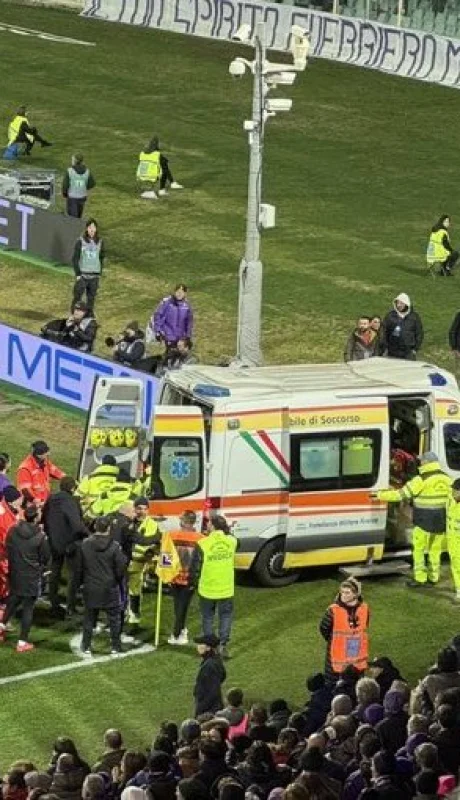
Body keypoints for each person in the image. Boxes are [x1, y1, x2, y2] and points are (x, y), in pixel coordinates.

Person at [373, 451, 451, 588]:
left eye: (422, 461)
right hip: (441, 520)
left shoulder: (421, 480)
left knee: (419, 550)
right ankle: (433, 577)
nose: (420, 462)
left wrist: (379, 495)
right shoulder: (447, 478)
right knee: (435, 550)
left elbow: (400, 495)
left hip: (423, 520)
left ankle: (420, 578)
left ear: (426, 462)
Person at [0, 504, 50, 653]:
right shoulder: (40, 536)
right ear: (36, 518)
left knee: (13, 601)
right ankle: (22, 642)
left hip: (15, 573)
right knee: (28, 608)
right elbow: (46, 558)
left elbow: (7, 548)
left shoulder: (13, 530)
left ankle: (1, 627)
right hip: (31, 576)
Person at [190, 514, 238, 660]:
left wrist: (194, 582)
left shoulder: (203, 543)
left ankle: (210, 646)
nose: (207, 525)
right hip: (226, 587)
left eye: (209, 523)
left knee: (208, 617)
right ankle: (223, 645)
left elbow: (195, 567)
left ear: (212, 526)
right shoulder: (232, 541)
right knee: (225, 616)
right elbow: (236, 541)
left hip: (207, 588)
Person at [78, 515, 126, 656]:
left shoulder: (85, 544)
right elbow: (121, 567)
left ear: (95, 527)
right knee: (114, 619)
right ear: (109, 528)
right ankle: (115, 647)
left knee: (89, 617)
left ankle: (86, 646)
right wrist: (116, 580)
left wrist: (82, 583)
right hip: (109, 587)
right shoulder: (115, 546)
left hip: (91, 587)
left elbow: (79, 568)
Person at [42, 476, 89, 618]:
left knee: (54, 573)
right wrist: (89, 534)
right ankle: (71, 606)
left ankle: (53, 603)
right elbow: (76, 524)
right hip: (70, 543)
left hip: (53, 542)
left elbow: (44, 518)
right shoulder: (71, 501)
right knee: (74, 575)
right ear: (72, 488)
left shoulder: (51, 499)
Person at [319, 577, 369, 684]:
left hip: (357, 660)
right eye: (342, 592)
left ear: (355, 595)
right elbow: (324, 628)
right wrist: (335, 640)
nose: (343, 595)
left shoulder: (364, 608)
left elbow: (365, 626)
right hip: (336, 660)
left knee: (356, 688)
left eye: (347, 593)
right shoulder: (333, 610)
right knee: (333, 689)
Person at [168, 510, 203, 646]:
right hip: (189, 578)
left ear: (183, 521)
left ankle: (178, 632)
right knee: (181, 606)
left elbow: (166, 554)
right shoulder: (201, 538)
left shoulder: (171, 535)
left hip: (175, 576)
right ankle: (180, 630)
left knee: (179, 605)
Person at [127, 497, 160, 625]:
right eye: (139, 508)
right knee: (123, 588)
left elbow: (154, 544)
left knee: (135, 589)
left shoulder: (152, 524)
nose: (142, 511)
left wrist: (149, 555)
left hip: (139, 561)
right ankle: (125, 611)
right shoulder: (129, 521)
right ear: (134, 509)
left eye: (145, 509)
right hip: (125, 560)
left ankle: (134, 613)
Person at [71, 219, 105, 315]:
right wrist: (78, 274)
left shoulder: (100, 242)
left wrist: (99, 272)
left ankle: (89, 317)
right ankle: (74, 316)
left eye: (94, 227)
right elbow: (75, 258)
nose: (92, 230)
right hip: (83, 275)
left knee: (91, 299)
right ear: (86, 229)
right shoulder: (80, 241)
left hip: (94, 276)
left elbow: (102, 257)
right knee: (77, 297)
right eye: (90, 227)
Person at [17, 441, 65, 505]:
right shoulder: (25, 469)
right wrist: (37, 502)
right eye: (46, 452)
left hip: (44, 501)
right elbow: (25, 490)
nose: (49, 454)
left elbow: (55, 471)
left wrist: (67, 479)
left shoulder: (44, 461)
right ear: (39, 455)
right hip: (32, 505)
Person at [136, 136, 183, 200]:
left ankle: (170, 184)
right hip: (152, 176)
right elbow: (165, 161)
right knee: (164, 168)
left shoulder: (142, 154)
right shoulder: (157, 154)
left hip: (140, 175)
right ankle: (165, 187)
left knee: (162, 166)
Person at [147, 284, 194, 349]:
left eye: (182, 292)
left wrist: (188, 336)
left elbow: (189, 322)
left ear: (185, 294)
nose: (179, 294)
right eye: (178, 292)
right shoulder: (167, 302)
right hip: (168, 335)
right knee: (170, 354)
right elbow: (158, 316)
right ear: (174, 292)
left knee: (179, 355)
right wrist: (158, 331)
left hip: (181, 338)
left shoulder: (187, 305)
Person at [380, 293, 424, 360]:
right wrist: (385, 347)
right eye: (397, 303)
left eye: (401, 303)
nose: (399, 305)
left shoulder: (414, 317)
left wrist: (415, 349)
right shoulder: (390, 316)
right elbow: (384, 332)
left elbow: (419, 333)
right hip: (392, 352)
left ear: (406, 304)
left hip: (408, 352)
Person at [194, 633, 227, 717]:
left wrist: (200, 709)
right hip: (214, 707)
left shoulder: (209, 665)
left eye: (201, 644)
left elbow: (213, 691)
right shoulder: (216, 660)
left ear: (208, 648)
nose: (198, 646)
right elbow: (223, 676)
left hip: (209, 711)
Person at [0, 485, 23, 602]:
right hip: (3, 555)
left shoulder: (13, 509)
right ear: (11, 502)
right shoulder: (3, 517)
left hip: (10, 553)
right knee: (4, 578)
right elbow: (5, 540)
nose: (20, 505)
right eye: (18, 502)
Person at [62, 153, 96, 219]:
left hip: (72, 197)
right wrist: (84, 187)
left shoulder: (70, 171)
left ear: (75, 161)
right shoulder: (87, 171)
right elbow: (92, 184)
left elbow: (65, 185)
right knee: (79, 215)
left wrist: (65, 193)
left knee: (72, 217)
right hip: (82, 196)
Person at [446, 477, 460, 602]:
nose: (453, 492)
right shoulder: (450, 501)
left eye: (456, 491)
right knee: (456, 566)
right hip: (452, 541)